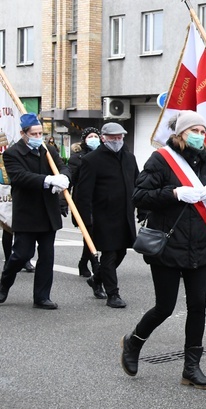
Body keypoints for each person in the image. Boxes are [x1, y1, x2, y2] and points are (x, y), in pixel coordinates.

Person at [122, 110, 206, 389]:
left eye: (203, 131)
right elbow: (139, 196)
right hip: (168, 245)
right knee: (165, 307)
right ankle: (133, 342)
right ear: (181, 133)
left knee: (198, 307)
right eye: (195, 130)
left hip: (199, 246)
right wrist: (174, 193)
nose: (200, 136)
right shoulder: (160, 159)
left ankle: (191, 368)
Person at [0, 114, 70, 309]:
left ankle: (41, 296)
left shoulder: (47, 150)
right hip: (27, 212)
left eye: (40, 132)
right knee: (21, 255)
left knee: (47, 257)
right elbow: (20, 177)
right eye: (34, 133)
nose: (38, 136)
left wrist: (64, 178)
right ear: (23, 133)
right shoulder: (13, 153)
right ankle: (4, 283)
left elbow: (63, 167)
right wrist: (47, 181)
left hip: (48, 212)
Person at [75, 122, 139, 308]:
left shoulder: (129, 158)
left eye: (120, 137)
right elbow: (83, 193)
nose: (117, 141)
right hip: (103, 216)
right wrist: (85, 220)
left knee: (121, 252)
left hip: (125, 214)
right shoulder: (91, 160)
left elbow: (138, 182)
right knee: (109, 255)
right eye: (113, 138)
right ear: (103, 138)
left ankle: (97, 279)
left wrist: (143, 208)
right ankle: (113, 294)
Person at [68, 127, 101, 277]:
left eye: (96, 136)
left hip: (100, 200)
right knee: (90, 231)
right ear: (84, 139)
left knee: (94, 233)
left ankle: (83, 262)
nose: (94, 138)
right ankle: (95, 264)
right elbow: (70, 180)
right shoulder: (77, 158)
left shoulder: (103, 155)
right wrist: (63, 202)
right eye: (90, 136)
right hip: (83, 200)